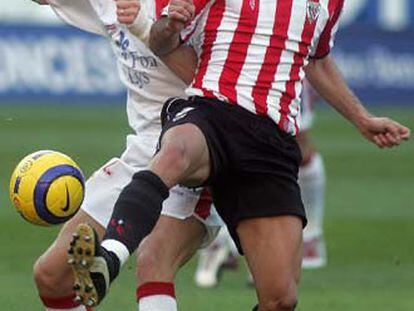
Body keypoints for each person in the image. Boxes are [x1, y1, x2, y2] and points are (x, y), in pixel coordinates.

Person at [69, 0, 411, 310]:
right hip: (211, 110)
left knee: (280, 298)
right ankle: (110, 256)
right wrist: (169, 25)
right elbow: (162, 41)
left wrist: (362, 118)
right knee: (174, 153)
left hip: (270, 142)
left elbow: (317, 61)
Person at [31, 0, 224, 310]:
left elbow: (220, 85)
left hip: (198, 150)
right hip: (142, 153)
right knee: (52, 277)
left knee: (152, 261)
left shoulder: (195, 6)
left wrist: (147, 28)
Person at [194, 81, 327, 287]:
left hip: (283, 66)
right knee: (218, 142)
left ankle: (306, 238)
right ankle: (220, 242)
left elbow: (321, 55)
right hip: (227, 66)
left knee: (298, 145)